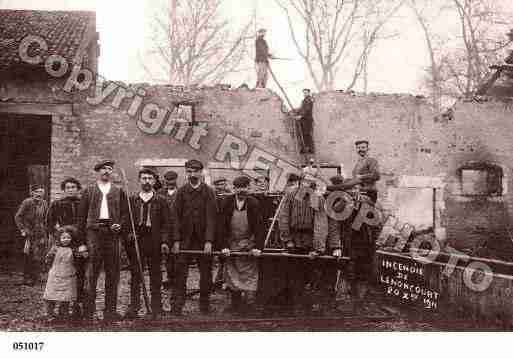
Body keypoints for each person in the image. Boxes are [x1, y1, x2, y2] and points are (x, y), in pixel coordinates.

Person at [77, 160, 128, 322]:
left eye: (109, 169)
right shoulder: (89, 191)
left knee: (113, 274)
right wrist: (82, 243)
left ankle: (110, 312)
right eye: (103, 169)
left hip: (112, 235)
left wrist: (120, 225)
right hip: (94, 234)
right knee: (91, 274)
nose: (107, 171)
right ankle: (88, 312)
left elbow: (126, 215)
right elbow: (81, 218)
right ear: (97, 172)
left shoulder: (118, 191)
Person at [278, 175, 329, 315]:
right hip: (293, 239)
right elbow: (283, 217)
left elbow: (321, 223)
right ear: (300, 183)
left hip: (310, 240)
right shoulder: (290, 195)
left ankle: (312, 304)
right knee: (294, 272)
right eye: (304, 183)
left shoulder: (317, 198)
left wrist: (317, 247)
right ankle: (295, 304)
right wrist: (287, 239)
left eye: (310, 184)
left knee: (313, 272)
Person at [172, 159, 217, 315]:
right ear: (186, 173)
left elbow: (212, 217)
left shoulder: (209, 192)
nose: (192, 174)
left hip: (203, 241)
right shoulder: (181, 192)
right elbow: (175, 217)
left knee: (206, 274)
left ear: (201, 172)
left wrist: (209, 241)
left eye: (195, 171)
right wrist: (176, 241)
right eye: (189, 171)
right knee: (180, 274)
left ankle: (204, 306)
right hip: (185, 241)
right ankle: (177, 306)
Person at [124, 169, 170, 320]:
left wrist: (164, 241)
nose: (147, 181)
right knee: (136, 276)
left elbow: (166, 224)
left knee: (156, 275)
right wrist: (130, 234)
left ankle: (156, 307)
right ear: (139, 180)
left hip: (155, 240)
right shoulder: (132, 200)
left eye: (150, 178)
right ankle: (134, 307)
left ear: (155, 181)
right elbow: (126, 221)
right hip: (137, 240)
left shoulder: (161, 200)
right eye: (144, 178)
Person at [219, 176, 264, 314]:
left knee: (249, 274)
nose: (241, 190)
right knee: (232, 274)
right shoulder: (226, 202)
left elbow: (259, 227)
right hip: (231, 243)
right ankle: (235, 305)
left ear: (249, 188)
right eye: (238, 187)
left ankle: (250, 305)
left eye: (244, 187)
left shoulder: (254, 203)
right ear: (234, 189)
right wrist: (223, 246)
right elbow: (221, 227)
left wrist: (257, 247)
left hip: (248, 244)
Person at [46, 177, 85, 319]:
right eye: (68, 187)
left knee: (79, 273)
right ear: (64, 190)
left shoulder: (83, 203)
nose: (70, 190)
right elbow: (49, 223)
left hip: (80, 242)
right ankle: (59, 305)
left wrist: (83, 242)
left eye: (73, 187)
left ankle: (76, 305)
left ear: (77, 189)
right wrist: (60, 236)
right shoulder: (57, 204)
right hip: (64, 243)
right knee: (62, 274)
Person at [43, 225, 85, 322]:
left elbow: (79, 257)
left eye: (68, 238)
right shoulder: (55, 249)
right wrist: (49, 263)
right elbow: (48, 259)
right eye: (64, 238)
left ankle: (63, 313)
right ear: (59, 238)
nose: (66, 240)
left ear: (72, 238)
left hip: (68, 276)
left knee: (66, 297)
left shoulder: (73, 249)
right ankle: (50, 314)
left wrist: (83, 253)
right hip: (55, 275)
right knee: (51, 295)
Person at [14, 184, 49, 286]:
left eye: (41, 192)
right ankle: (27, 278)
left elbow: (46, 217)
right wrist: (23, 229)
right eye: (37, 192)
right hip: (29, 232)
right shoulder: (27, 202)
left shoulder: (44, 203)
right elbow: (18, 217)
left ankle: (36, 276)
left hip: (41, 232)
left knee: (40, 254)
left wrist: (48, 229)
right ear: (32, 193)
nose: (39, 194)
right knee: (29, 255)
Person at [158, 170, 179, 290]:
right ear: (164, 180)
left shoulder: (181, 193)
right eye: (168, 180)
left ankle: (177, 278)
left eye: (172, 180)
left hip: (177, 228)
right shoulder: (160, 193)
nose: (170, 183)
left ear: (176, 180)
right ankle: (170, 277)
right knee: (167, 254)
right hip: (164, 228)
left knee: (178, 254)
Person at [297, 89, 314, 153]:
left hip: (307, 120)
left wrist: (300, 116)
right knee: (304, 134)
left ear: (309, 93)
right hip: (303, 120)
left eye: (306, 93)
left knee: (307, 134)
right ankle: (305, 148)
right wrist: (297, 113)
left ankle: (310, 149)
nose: (304, 94)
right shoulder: (304, 100)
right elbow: (301, 108)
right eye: (304, 93)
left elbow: (307, 109)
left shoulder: (309, 100)